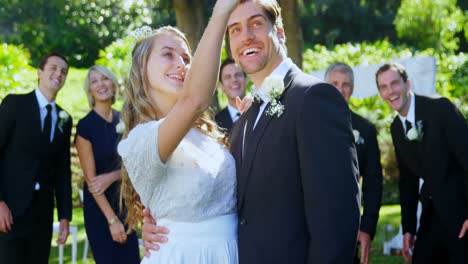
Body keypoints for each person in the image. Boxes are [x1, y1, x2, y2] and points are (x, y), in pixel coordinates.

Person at [142, 1, 361, 263]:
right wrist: (171, 228)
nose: (245, 36)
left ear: (279, 32)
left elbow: (337, 215)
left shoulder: (314, 98)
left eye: (256, 24)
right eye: (234, 30)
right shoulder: (244, 118)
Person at [117, 0, 240, 263]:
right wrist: (221, 12)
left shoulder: (205, 135)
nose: (182, 64)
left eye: (186, 58)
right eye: (168, 54)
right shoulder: (141, 139)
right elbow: (195, 100)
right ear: (142, 68)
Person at [375, 62, 468, 263]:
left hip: (460, 211)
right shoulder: (396, 129)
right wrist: (408, 229)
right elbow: (407, 180)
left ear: (407, 84)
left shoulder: (441, 109)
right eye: (383, 87)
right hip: (431, 214)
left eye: (394, 84)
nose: (390, 91)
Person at [0, 52, 72, 264]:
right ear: (40, 72)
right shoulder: (14, 104)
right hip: (9, 212)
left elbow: (62, 171)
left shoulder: (64, 119)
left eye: (63, 71)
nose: (59, 74)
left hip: (42, 215)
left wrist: (64, 216)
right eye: (53, 68)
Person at [75, 65, 140, 263]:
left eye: (105, 79)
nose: (101, 84)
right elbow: (93, 182)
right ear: (90, 90)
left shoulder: (125, 121)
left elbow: (136, 166)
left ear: (112, 84)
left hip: (125, 205)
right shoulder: (85, 126)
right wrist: (112, 220)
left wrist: (113, 176)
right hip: (100, 210)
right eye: (94, 81)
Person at [325, 62, 383, 264]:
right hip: (311, 221)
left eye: (346, 85)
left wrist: (367, 227)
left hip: (349, 222)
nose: (340, 90)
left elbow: (374, 183)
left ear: (353, 88)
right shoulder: (307, 122)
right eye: (334, 84)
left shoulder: (365, 129)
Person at [215, 58, 247, 133]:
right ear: (221, 86)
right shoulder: (215, 123)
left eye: (238, 75)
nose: (234, 80)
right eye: (228, 77)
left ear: (246, 80)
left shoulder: (262, 110)